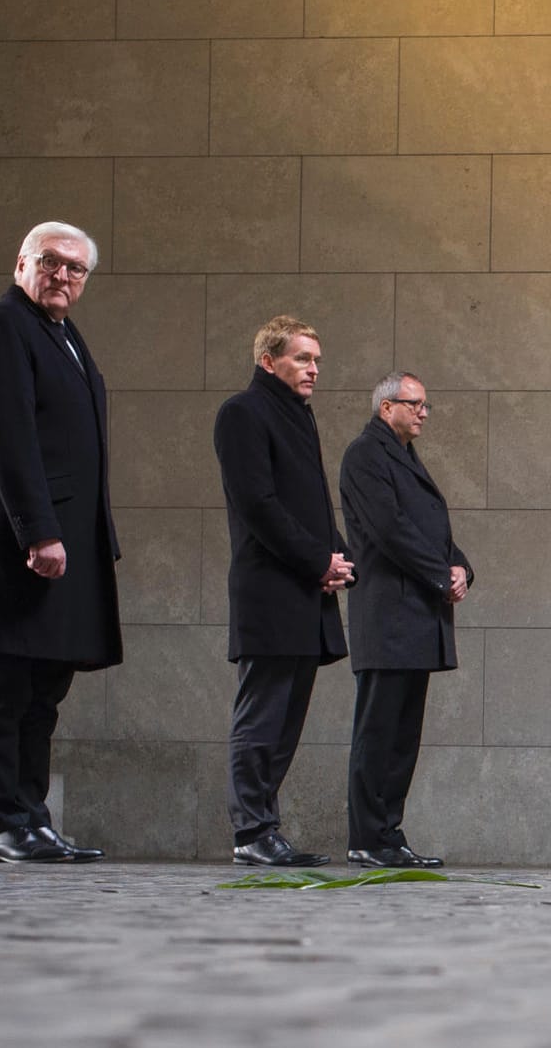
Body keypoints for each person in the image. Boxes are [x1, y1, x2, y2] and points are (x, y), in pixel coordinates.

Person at [0, 221, 121, 864]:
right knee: (6, 686)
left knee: (44, 691)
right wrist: (40, 530)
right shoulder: (0, 326)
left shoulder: (64, 335)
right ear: (22, 261)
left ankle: (32, 817)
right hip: (20, 540)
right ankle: (1, 821)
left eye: (77, 269)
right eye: (52, 262)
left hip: (65, 541)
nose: (64, 277)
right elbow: (8, 437)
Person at [213, 315, 354, 867]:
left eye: (317, 360)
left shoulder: (298, 416)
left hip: (304, 592)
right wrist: (319, 560)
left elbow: (312, 508)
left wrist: (341, 559)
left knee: (286, 720)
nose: (314, 369)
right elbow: (258, 507)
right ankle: (251, 832)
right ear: (268, 360)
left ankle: (264, 828)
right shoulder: (242, 412)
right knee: (262, 716)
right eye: (302, 358)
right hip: (271, 591)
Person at [338, 373, 471, 869]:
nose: (422, 412)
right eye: (412, 404)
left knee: (402, 736)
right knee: (379, 732)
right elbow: (391, 530)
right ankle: (368, 837)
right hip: (389, 615)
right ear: (384, 407)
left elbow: (430, 528)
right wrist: (442, 575)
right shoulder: (366, 454)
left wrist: (461, 568)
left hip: (414, 616)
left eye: (425, 406)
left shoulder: (402, 455)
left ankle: (387, 836)